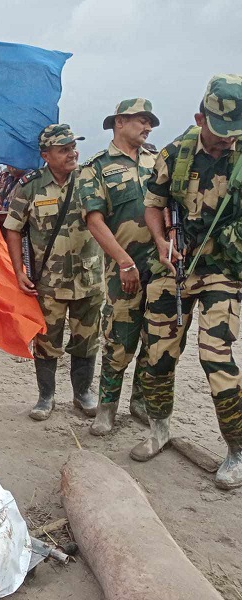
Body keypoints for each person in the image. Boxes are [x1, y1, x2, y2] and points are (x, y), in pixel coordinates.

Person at [135, 75, 242, 490]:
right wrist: (162, 242)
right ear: (201, 118)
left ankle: (236, 449)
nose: (227, 143)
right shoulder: (175, 153)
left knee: (217, 357)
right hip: (175, 265)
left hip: (223, 270)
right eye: (220, 135)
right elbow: (153, 204)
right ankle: (159, 428)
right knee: (159, 352)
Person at [4, 124, 103, 420]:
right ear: (46, 155)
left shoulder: (90, 179)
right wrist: (18, 270)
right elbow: (13, 229)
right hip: (49, 282)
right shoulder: (31, 186)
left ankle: (83, 393)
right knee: (47, 342)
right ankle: (46, 397)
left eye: (73, 146)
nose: (72, 153)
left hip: (89, 279)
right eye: (64, 149)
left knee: (87, 340)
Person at [79, 99, 159, 435]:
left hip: (161, 268)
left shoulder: (158, 160)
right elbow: (95, 221)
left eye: (150, 123)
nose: (148, 127)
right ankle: (107, 408)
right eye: (142, 120)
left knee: (155, 339)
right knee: (119, 340)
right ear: (120, 122)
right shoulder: (96, 167)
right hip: (123, 270)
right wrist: (124, 262)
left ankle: (139, 402)